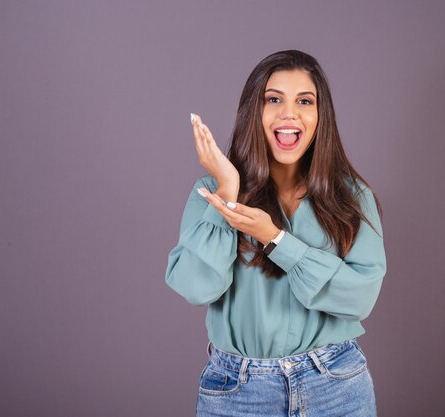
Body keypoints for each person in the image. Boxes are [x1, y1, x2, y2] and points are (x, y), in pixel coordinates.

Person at [164, 50, 387, 417]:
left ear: (320, 116)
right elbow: (195, 286)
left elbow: (359, 298)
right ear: (255, 111)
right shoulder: (211, 193)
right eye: (273, 99)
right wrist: (228, 193)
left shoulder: (351, 197)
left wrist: (277, 240)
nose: (289, 113)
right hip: (238, 391)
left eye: (304, 101)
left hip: (336, 384)